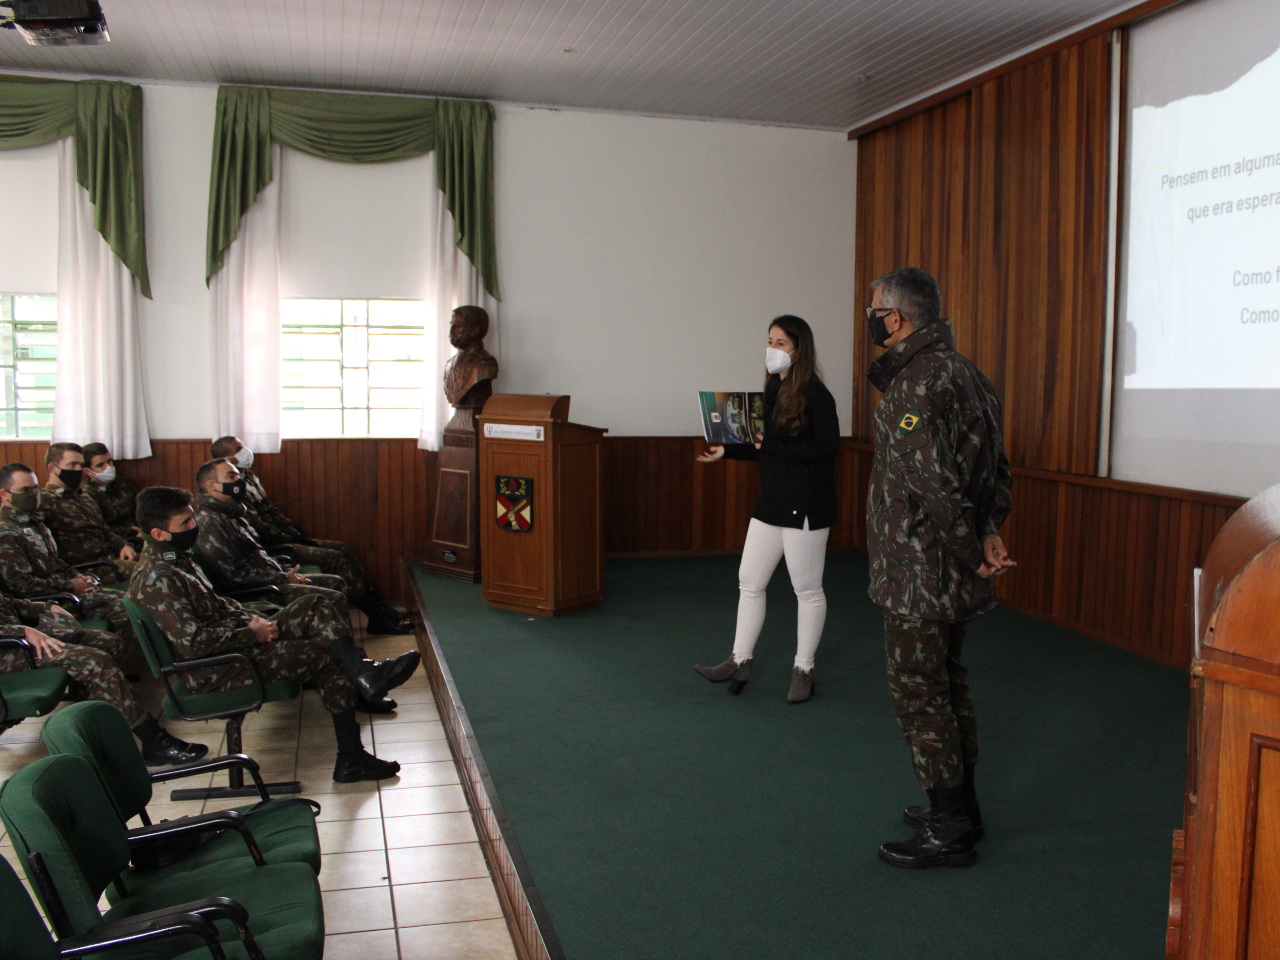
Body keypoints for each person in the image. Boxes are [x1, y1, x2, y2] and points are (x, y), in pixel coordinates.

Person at [863, 267, 1015, 869]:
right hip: (948, 563)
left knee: (920, 695)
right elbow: (997, 468)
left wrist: (973, 547)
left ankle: (948, 829)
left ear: (896, 319)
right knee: (949, 685)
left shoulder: (914, 384)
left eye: (875, 310)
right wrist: (989, 529)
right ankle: (961, 809)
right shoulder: (968, 373)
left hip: (921, 571)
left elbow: (935, 485)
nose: (872, 319)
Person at [129, 486, 422, 782]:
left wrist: (251, 620)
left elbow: (216, 606)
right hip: (215, 669)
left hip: (234, 644)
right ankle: (352, 756)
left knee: (317, 603)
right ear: (158, 534)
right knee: (326, 656)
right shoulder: (159, 580)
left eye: (192, 518)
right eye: (185, 523)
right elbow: (194, 645)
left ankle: (365, 673)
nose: (195, 527)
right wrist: (250, 634)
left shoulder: (176, 559)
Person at [693, 315, 839, 703]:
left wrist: (767, 448)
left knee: (806, 590)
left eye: (780, 343)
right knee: (749, 582)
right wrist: (727, 450)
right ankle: (740, 660)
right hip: (771, 503)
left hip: (806, 506)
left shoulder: (816, 394)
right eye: (770, 341)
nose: (772, 350)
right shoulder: (773, 390)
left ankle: (804, 668)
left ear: (799, 349)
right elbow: (761, 445)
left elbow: (826, 448)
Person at [208, 436, 414, 635]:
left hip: (286, 539)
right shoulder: (233, 492)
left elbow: (271, 512)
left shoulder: (249, 478)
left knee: (343, 548)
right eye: (237, 449)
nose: (244, 452)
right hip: (276, 547)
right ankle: (377, 616)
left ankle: (378, 609)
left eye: (242, 446)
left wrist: (294, 532)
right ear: (224, 459)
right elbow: (260, 528)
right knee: (335, 557)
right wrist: (291, 539)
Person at [0, 591, 208, 764]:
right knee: (97, 662)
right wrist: (22, 631)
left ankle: (91, 728)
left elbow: (9, 604)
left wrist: (46, 607)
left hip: (20, 643)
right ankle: (155, 743)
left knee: (111, 643)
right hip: (9, 654)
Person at [0, 462, 139, 645]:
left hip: (67, 591)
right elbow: (21, 586)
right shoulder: (7, 532)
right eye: (25, 490)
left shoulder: (33, 523)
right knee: (130, 610)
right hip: (54, 601)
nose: (33, 494)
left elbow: (55, 561)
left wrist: (76, 576)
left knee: (133, 601)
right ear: (4, 494)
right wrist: (69, 586)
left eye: (35, 488)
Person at [40, 443, 138, 582]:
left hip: (110, 559)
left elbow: (104, 530)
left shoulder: (84, 497)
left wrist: (123, 545)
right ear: (53, 468)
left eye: (81, 465)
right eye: (72, 464)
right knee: (154, 573)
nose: (78, 469)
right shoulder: (45, 501)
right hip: (87, 569)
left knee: (165, 562)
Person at [83, 442, 141, 543]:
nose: (108, 467)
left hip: (139, 535)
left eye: (109, 461)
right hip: (113, 541)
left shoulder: (124, 484)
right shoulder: (85, 494)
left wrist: (145, 529)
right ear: (88, 471)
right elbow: (98, 528)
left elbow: (140, 511)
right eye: (101, 465)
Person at [443, 305, 499, 409]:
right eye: (452, 325)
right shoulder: (450, 364)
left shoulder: (485, 363)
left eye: (458, 326)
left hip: (476, 417)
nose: (451, 332)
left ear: (474, 330)